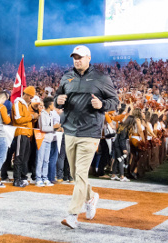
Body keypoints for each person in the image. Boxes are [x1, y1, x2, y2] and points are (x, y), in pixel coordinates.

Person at [55, 45, 118, 229]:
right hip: (70, 130)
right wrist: (58, 99)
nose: (77, 60)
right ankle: (91, 197)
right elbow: (59, 95)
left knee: (81, 173)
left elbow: (115, 101)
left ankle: (72, 215)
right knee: (76, 175)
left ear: (89, 58)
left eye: (80, 57)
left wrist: (102, 104)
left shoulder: (101, 77)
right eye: (74, 57)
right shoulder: (66, 76)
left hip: (90, 132)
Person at [12, 86, 38, 187]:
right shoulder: (18, 103)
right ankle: (16, 179)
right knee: (19, 156)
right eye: (30, 97)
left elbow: (25, 119)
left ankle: (22, 177)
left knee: (25, 157)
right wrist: (31, 116)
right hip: (20, 133)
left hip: (26, 134)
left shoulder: (25, 105)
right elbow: (18, 119)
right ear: (25, 94)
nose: (31, 99)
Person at [35, 97, 58, 187]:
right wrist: (54, 128)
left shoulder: (50, 114)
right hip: (42, 139)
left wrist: (55, 128)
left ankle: (45, 178)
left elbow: (49, 127)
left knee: (46, 160)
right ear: (49, 105)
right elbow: (43, 128)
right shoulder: (42, 115)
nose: (54, 106)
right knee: (40, 160)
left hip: (49, 139)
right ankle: (38, 178)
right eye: (53, 104)